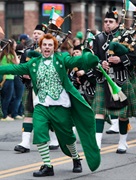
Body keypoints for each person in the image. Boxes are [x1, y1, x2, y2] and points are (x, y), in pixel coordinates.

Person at [0, 33, 101, 177]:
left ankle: (76, 158)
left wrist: (87, 58)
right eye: (44, 45)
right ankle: (47, 165)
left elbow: (75, 62)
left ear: (54, 47)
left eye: (50, 45)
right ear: (40, 47)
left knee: (67, 137)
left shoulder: (62, 58)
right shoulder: (33, 63)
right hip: (41, 104)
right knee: (40, 132)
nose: (47, 47)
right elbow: (13, 69)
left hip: (60, 104)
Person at [92, 7, 136, 153]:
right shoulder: (98, 38)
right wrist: (100, 63)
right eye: (105, 21)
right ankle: (97, 143)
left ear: (117, 23)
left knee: (123, 115)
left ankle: (122, 142)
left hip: (120, 79)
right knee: (99, 112)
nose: (107, 24)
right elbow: (92, 58)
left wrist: (120, 59)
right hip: (104, 79)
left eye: (110, 21)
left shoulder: (125, 37)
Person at [14, 24, 59, 153]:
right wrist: (24, 75)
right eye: (34, 33)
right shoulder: (27, 51)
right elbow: (21, 67)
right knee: (28, 114)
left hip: (47, 88)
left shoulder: (52, 51)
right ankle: (25, 142)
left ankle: (54, 138)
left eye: (39, 33)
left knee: (49, 115)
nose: (35, 35)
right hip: (30, 87)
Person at [0, 39, 20, 121]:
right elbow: (17, 63)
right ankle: (4, 115)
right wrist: (15, 53)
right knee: (7, 98)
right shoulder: (9, 55)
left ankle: (3, 114)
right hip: (9, 78)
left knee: (3, 97)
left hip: (2, 78)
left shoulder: (2, 54)